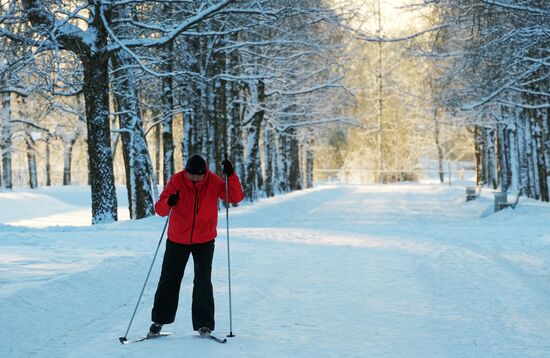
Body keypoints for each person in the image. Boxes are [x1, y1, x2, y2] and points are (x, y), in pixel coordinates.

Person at [148, 154, 244, 338]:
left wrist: (230, 176)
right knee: (169, 279)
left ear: (205, 173)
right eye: (191, 175)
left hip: (204, 239)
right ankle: (158, 321)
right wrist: (169, 202)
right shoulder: (177, 180)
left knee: (202, 281)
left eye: (198, 176)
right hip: (177, 238)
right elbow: (160, 209)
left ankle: (204, 324)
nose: (195, 179)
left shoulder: (213, 181)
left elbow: (234, 197)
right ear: (186, 171)